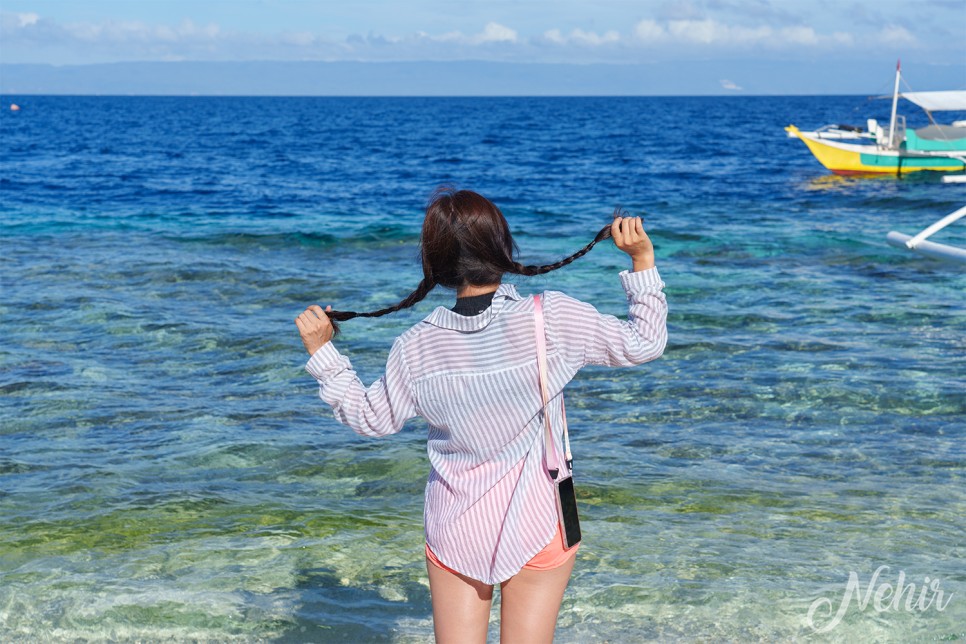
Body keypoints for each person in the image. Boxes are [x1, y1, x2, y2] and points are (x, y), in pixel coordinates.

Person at [295, 189, 668, 643]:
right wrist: (641, 260)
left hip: (456, 526)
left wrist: (324, 353)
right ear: (503, 247)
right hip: (539, 519)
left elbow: (370, 419)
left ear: (436, 265)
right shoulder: (549, 317)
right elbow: (645, 342)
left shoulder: (416, 347)